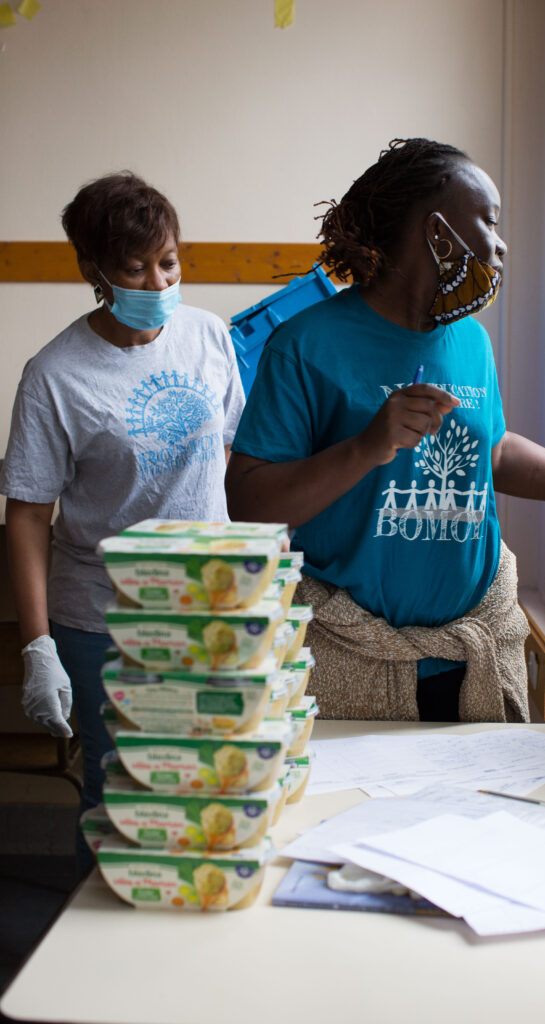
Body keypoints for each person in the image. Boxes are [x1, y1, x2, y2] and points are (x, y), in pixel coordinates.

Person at [226, 137, 545, 724]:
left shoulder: (471, 339)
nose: (501, 243)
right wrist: (366, 447)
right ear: (437, 231)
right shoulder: (305, 343)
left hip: (473, 648)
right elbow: (248, 503)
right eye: (489, 221)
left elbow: (492, 452)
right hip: (351, 653)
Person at [0, 172, 245, 864]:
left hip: (206, 607)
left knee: (207, 787)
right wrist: (37, 646)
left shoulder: (209, 336)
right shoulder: (55, 374)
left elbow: (225, 450)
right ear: (94, 271)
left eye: (168, 262)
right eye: (135, 269)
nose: (157, 283)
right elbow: (28, 514)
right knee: (119, 796)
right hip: (105, 617)